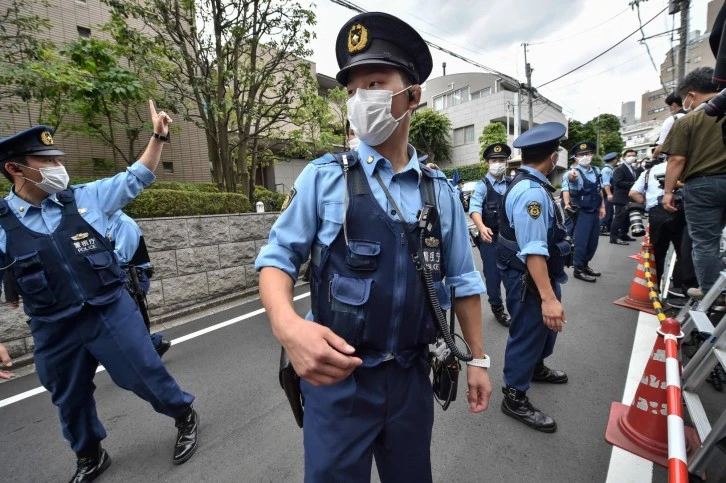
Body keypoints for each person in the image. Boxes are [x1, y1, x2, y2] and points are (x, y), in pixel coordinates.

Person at [255, 12, 492, 481]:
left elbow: (463, 281)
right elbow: (276, 259)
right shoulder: (324, 178)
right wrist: (288, 328)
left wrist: (479, 360)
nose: (361, 100)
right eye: (352, 90)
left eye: (376, 82)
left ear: (412, 96)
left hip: (410, 380)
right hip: (337, 383)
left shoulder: (439, 191)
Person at [0, 106, 198, 482]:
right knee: (68, 397)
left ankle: (183, 414)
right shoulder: (3, 225)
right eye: (47, 160)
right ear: (15, 169)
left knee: (143, 373)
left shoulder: (89, 199)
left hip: (108, 309)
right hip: (52, 325)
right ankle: (90, 455)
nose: (58, 166)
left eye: (57, 157)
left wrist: (157, 137)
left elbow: (137, 176)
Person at [497, 122, 570, 433]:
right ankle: (514, 395)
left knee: (543, 332)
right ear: (553, 157)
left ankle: (535, 367)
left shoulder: (530, 184)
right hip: (529, 278)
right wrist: (549, 297)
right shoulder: (531, 194)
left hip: (535, 276)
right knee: (528, 332)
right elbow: (534, 251)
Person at [662, 66, 726, 300]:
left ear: (691, 95)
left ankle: (713, 292)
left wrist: (668, 191)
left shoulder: (690, 120)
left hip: (703, 185)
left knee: (706, 242)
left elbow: (677, 159)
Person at [107, 209, 171, 357]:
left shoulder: (124, 223)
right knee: (127, 320)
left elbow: (123, 257)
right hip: (119, 278)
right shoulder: (104, 224)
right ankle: (153, 346)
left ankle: (152, 347)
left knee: (126, 319)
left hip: (133, 278)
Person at [628, 160, 690, 307]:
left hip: (656, 213)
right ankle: (678, 291)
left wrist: (647, 203)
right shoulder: (687, 167)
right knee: (684, 252)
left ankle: (654, 289)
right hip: (680, 211)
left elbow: (633, 192)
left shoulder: (649, 172)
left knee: (657, 252)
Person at [469, 142, 512, 327]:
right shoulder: (482, 186)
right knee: (493, 276)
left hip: (510, 239)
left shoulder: (513, 183)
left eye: (501, 159)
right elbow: (474, 208)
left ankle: (516, 306)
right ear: (487, 163)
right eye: (494, 160)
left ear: (507, 162)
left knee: (513, 274)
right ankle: (497, 307)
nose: (498, 163)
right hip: (490, 238)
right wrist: (481, 226)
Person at [561, 142, 605, 283]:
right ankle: (578, 268)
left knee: (593, 241)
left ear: (592, 155)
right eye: (581, 155)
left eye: (587, 153)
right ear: (575, 157)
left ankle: (585, 265)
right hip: (581, 212)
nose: (585, 157)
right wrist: (567, 204)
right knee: (581, 241)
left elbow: (599, 191)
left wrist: (603, 207)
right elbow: (567, 187)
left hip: (594, 211)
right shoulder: (573, 172)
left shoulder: (597, 171)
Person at [610, 149, 639, 245]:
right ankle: (614, 237)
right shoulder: (619, 169)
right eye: (629, 155)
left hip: (630, 198)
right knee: (619, 218)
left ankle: (623, 234)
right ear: (624, 157)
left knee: (627, 218)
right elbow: (618, 182)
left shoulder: (633, 169)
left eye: (634, 155)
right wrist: (634, 184)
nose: (632, 157)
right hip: (621, 198)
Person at [652, 93, 686, 159]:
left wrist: (653, 157)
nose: (669, 109)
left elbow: (660, 147)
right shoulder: (694, 115)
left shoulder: (671, 119)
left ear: (674, 105)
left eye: (669, 106)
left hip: (678, 158)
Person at [600, 152, 617, 236]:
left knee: (610, 211)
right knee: (607, 210)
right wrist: (609, 194)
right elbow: (606, 183)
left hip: (608, 193)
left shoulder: (610, 169)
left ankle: (608, 227)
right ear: (613, 160)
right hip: (607, 193)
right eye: (615, 159)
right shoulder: (607, 170)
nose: (616, 161)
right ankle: (602, 228)